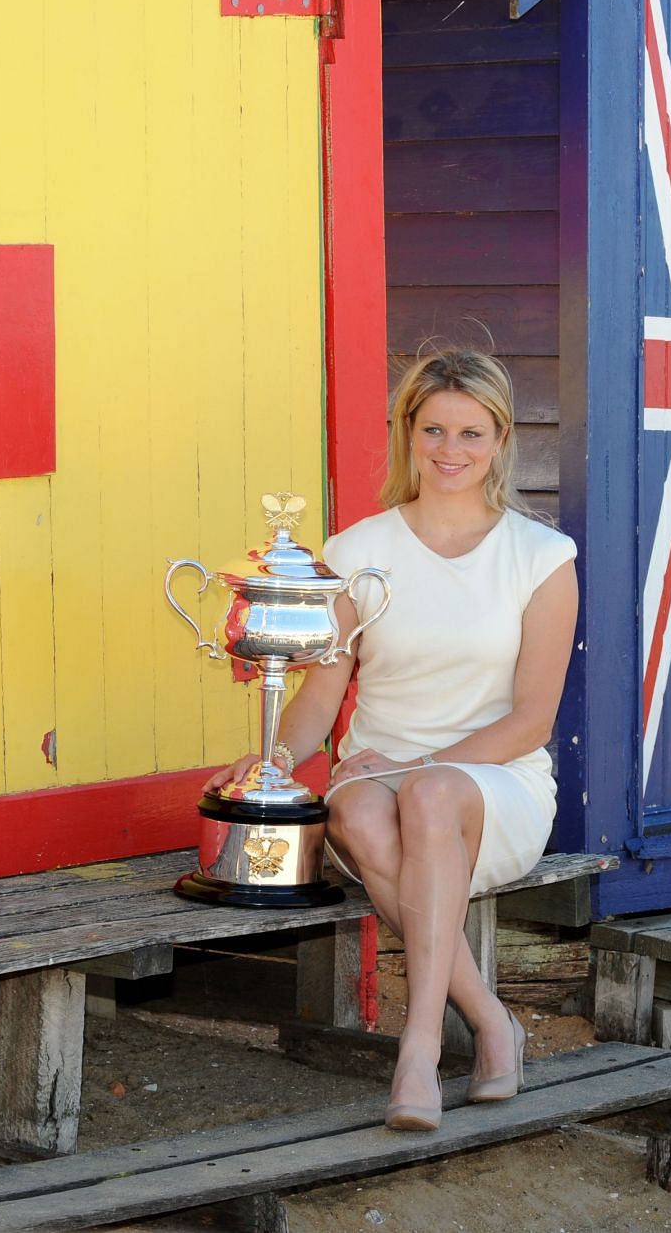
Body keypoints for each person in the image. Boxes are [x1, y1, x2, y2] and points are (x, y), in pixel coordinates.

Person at [204, 349, 579, 1131]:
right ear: (407, 433)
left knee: (429, 794)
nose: (451, 449)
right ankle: (489, 1022)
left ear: (501, 439)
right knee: (370, 812)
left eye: (472, 432)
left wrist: (415, 765)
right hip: (374, 785)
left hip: (494, 783)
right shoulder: (355, 552)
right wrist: (273, 760)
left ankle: (416, 1046)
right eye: (434, 428)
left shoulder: (542, 559)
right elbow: (322, 695)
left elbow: (530, 721)